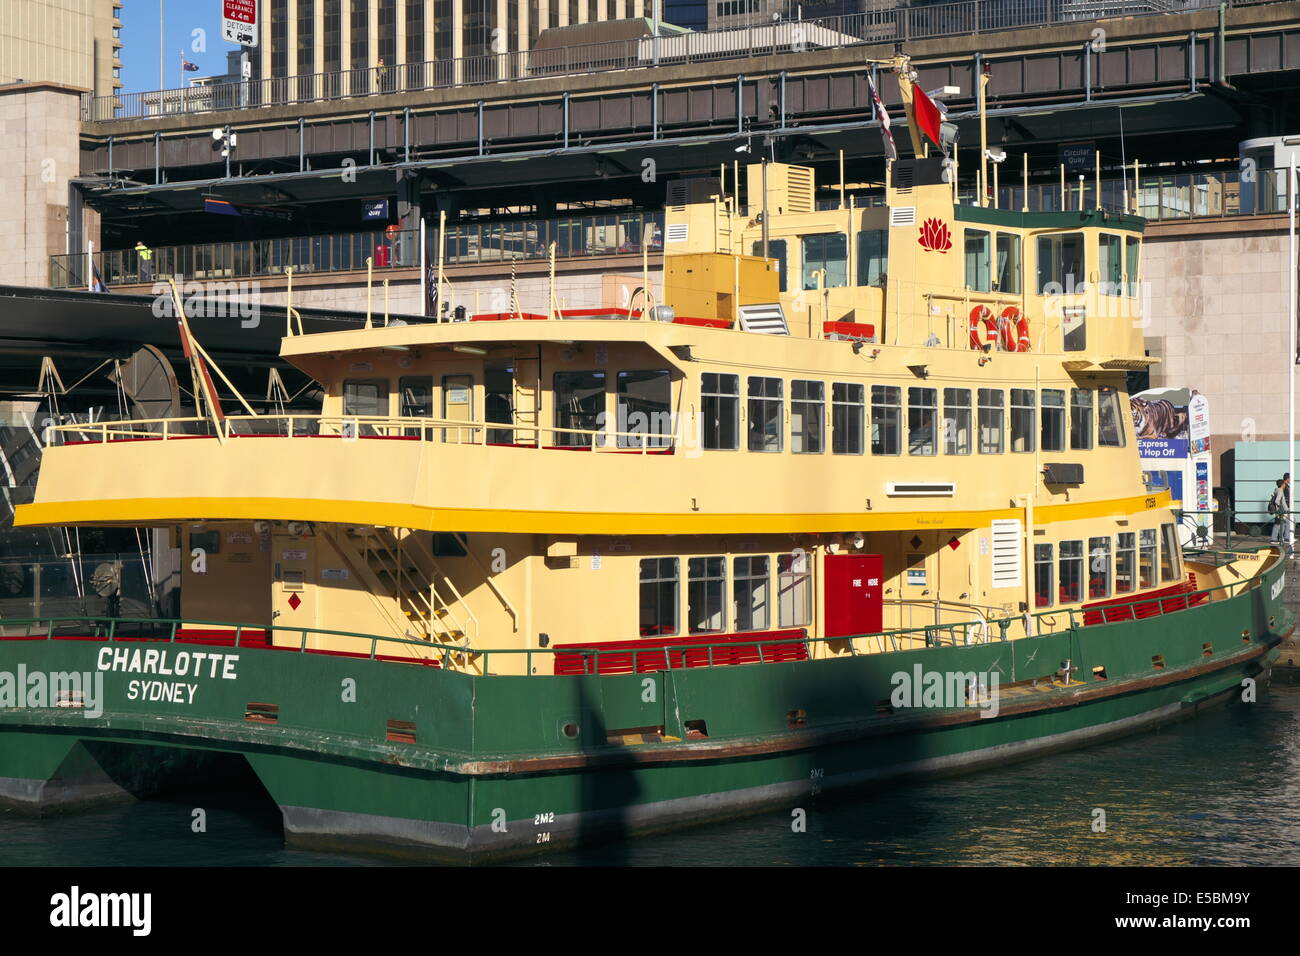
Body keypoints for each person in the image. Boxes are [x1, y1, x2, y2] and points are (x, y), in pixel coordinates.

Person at [1269, 474, 1292, 552]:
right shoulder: (1280, 490)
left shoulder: (1278, 490)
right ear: (1282, 484)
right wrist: (1281, 508)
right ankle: (1277, 539)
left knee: (1279, 523)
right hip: (1281, 511)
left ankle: (1277, 538)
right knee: (1280, 523)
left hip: (1282, 510)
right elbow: (1277, 501)